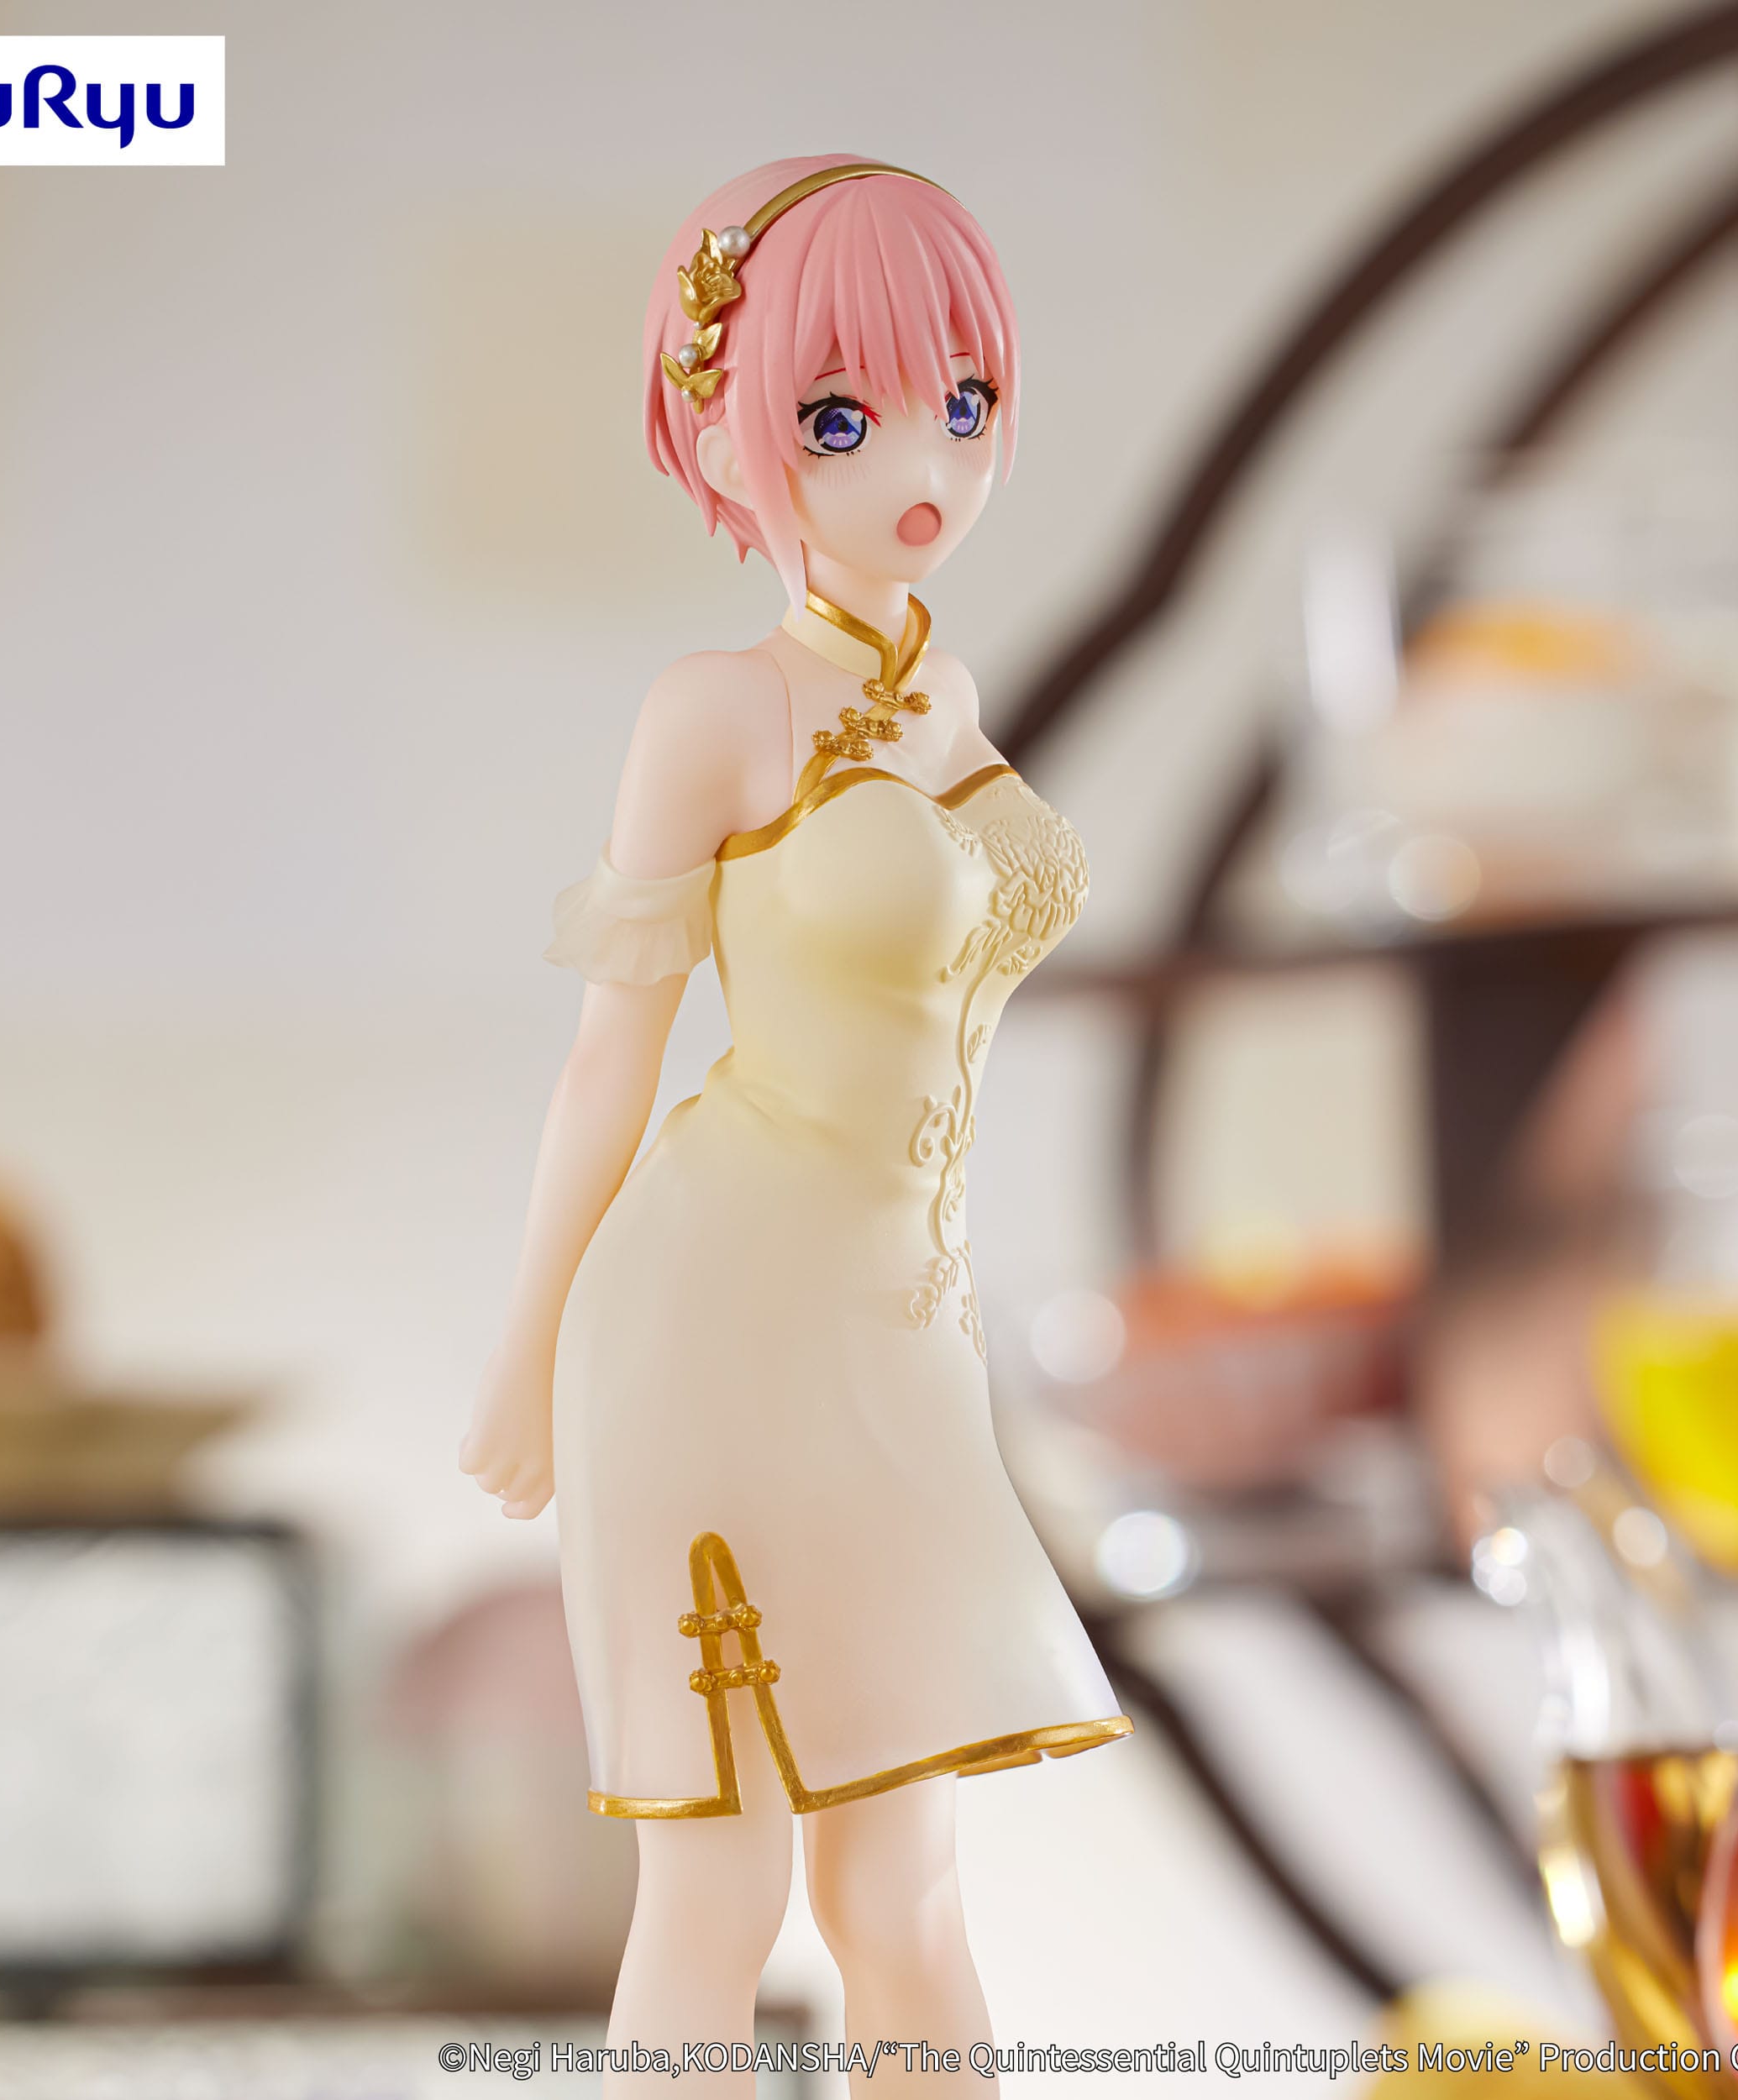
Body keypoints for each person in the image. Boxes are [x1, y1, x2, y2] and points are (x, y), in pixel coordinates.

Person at [458, 156, 1130, 2095]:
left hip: (897, 1343)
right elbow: (610, 1056)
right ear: (722, 436)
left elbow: (982, 913)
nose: (920, 462)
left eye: (962, 401)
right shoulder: (716, 713)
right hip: (708, 1326)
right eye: (841, 417)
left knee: (901, 1882)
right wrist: (525, 1347)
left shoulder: (942, 687)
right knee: (720, 1880)